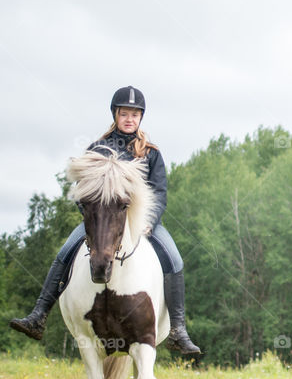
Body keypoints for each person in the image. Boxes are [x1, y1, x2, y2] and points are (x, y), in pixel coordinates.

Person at [10, 87, 201, 355]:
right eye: (124, 113)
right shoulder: (97, 149)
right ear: (116, 114)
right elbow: (82, 189)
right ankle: (38, 315)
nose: (129, 119)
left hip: (141, 223)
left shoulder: (150, 153)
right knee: (65, 252)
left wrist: (148, 222)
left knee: (175, 259)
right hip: (101, 224)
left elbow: (159, 193)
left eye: (134, 115)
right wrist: (91, 218)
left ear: (140, 118)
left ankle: (178, 330)